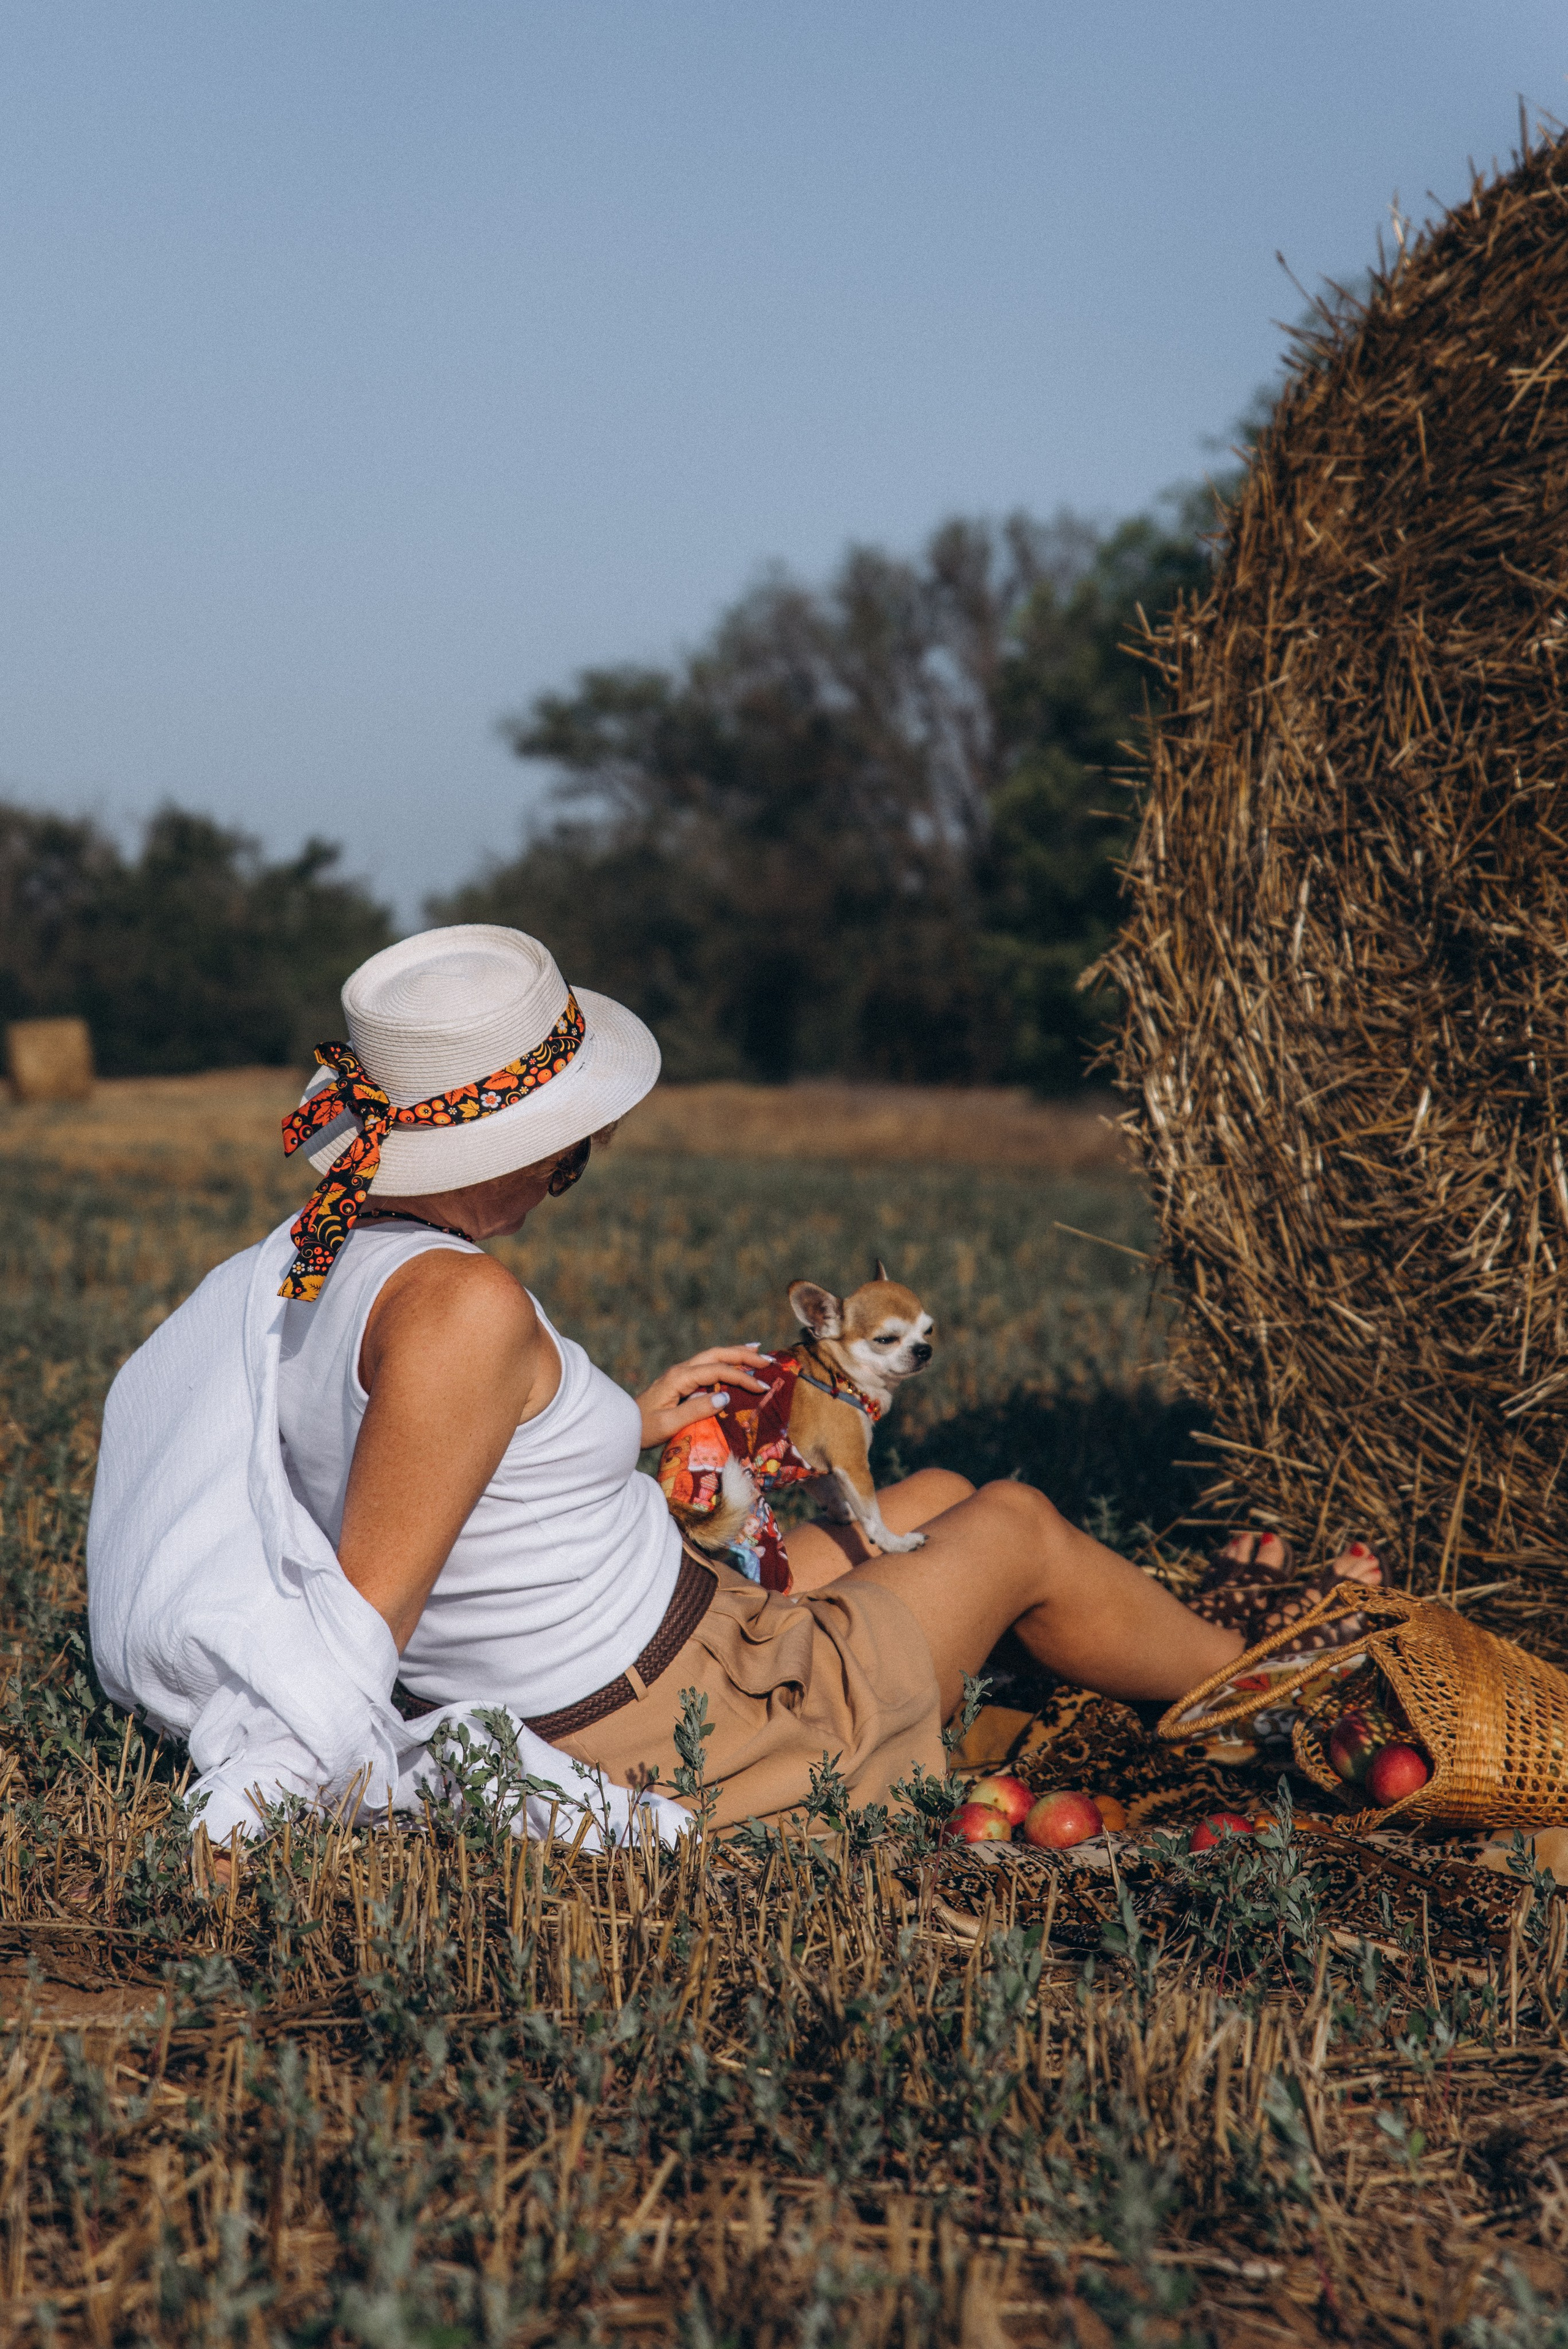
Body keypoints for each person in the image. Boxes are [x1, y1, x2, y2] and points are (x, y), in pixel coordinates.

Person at [89, 924, 1379, 1841]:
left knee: (928, 1485)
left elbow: (428, 1467)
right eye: (568, 1148)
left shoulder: (313, 1268)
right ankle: (1276, 1671)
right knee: (1016, 1526)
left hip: (663, 1626)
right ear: (508, 1144)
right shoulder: (463, 1307)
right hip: (682, 1718)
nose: (573, 1162)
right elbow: (365, 1615)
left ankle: (1156, 1651)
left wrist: (611, 1432)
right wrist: (267, 1794)